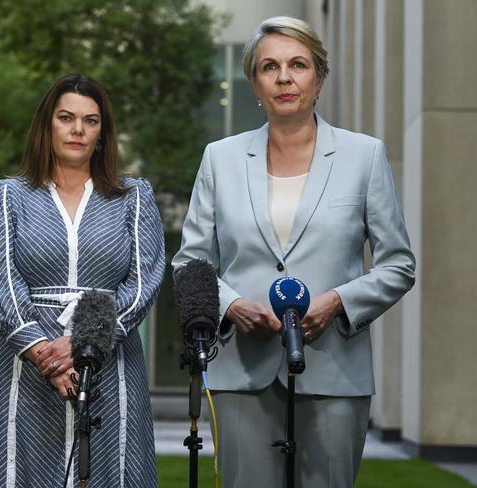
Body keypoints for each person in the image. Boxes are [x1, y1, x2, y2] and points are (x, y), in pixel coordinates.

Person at [172, 16, 415, 488]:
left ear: (318, 77)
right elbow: (190, 264)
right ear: (255, 83)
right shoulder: (219, 159)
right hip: (241, 372)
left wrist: (339, 302)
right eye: (270, 67)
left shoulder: (364, 156)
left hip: (335, 374)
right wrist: (234, 306)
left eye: (298, 64)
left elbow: (399, 264)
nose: (284, 78)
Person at [0, 74, 164, 488]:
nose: (78, 130)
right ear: (48, 125)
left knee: (114, 471)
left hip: (111, 362)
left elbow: (144, 281)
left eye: (91, 121)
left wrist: (85, 341)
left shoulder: (134, 196)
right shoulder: (9, 195)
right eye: (66, 117)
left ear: (103, 132)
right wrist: (44, 353)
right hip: (28, 367)